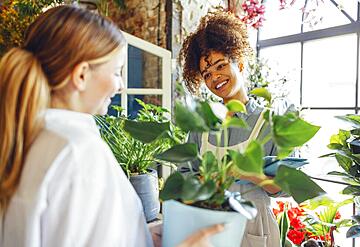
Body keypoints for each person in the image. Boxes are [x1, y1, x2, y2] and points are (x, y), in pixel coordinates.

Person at [0, 5, 223, 247]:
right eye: (117, 72)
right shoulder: (77, 150)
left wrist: (140, 235)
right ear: (82, 75)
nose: (121, 86)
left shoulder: (29, 136)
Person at [180, 10, 294, 247]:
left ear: (240, 64)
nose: (215, 78)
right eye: (207, 73)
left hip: (255, 230)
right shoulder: (201, 123)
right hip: (208, 228)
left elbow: (288, 187)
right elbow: (184, 175)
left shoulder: (270, 123)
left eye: (221, 65)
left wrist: (248, 174)